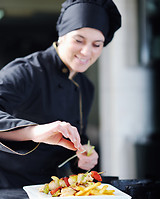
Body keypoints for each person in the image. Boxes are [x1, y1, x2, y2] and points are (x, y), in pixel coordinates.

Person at [0, 0, 121, 188]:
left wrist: (80, 160)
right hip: (6, 191)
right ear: (62, 35)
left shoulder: (86, 87)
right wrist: (35, 132)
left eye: (97, 44)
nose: (87, 51)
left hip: (51, 192)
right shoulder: (25, 71)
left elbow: (68, 149)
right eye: (79, 40)